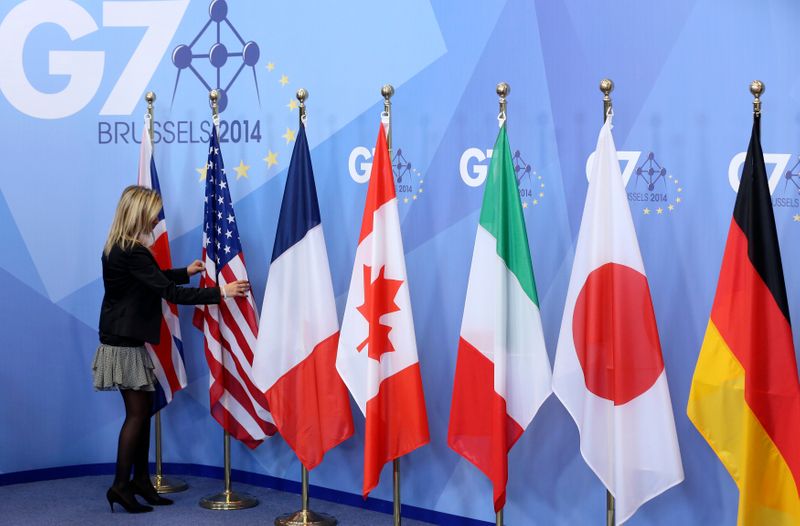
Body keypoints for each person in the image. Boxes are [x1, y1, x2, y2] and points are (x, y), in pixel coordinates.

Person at [93, 185, 250, 513]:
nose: (155, 222)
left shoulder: (118, 248)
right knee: (137, 415)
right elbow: (170, 294)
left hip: (121, 338)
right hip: (125, 342)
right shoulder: (134, 251)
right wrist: (221, 292)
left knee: (142, 411)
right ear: (139, 214)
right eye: (152, 216)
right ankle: (121, 486)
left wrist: (184, 272)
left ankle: (139, 482)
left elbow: (151, 278)